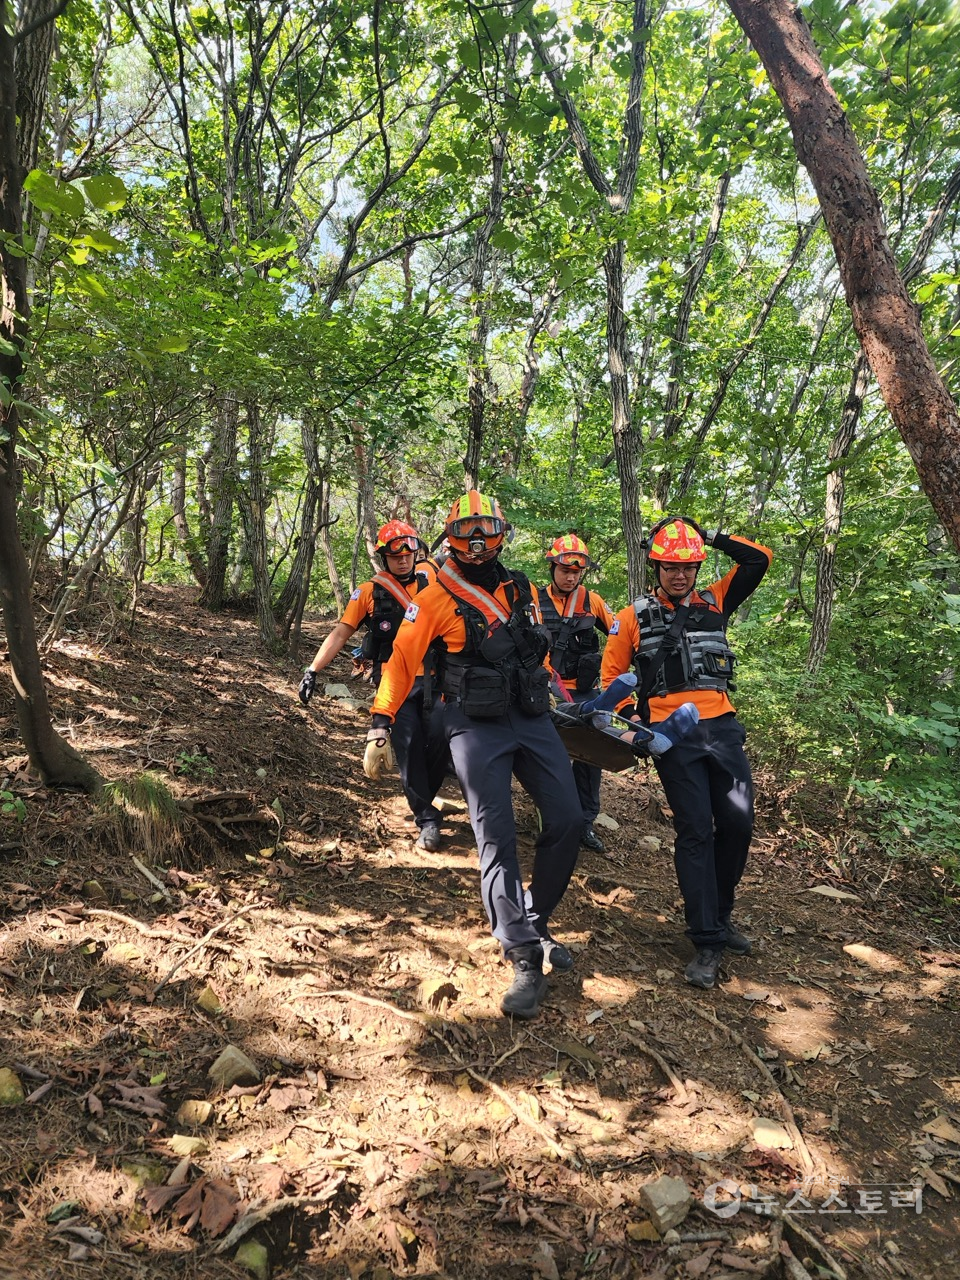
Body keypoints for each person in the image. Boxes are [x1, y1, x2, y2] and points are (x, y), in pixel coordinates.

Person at [364, 490, 582, 1020]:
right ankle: (523, 953)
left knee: (569, 819)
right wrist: (379, 723)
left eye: (486, 531)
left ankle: (536, 915)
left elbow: (538, 648)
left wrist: (567, 697)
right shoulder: (433, 594)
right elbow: (400, 660)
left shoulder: (522, 586)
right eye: (465, 533)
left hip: (530, 716)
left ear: (501, 533)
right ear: (451, 538)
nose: (477, 543)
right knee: (495, 833)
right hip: (473, 723)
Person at [601, 516, 773, 991]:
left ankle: (720, 913)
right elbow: (612, 676)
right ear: (655, 566)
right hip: (670, 734)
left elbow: (759, 560)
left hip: (722, 727)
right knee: (695, 829)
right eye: (670, 567)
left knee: (738, 824)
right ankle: (706, 938)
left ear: (698, 566)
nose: (680, 575)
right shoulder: (632, 615)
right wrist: (629, 725)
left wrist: (708, 534)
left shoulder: (716, 600)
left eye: (689, 566)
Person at [298, 520, 447, 852]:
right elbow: (341, 632)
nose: (404, 560)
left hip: (437, 677)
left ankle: (426, 795)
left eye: (410, 552)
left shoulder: (434, 582)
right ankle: (426, 818)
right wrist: (313, 669)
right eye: (396, 555)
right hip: (394, 682)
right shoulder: (368, 593)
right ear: (384, 557)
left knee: (440, 739)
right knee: (408, 745)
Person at [535, 535, 615, 853]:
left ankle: (584, 823)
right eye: (565, 570)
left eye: (576, 572)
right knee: (546, 758)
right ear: (553, 567)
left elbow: (622, 634)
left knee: (590, 759)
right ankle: (550, 815)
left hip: (583, 694)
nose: (570, 577)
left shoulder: (592, 601)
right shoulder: (535, 602)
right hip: (546, 693)